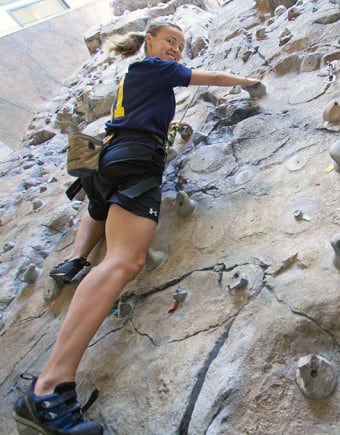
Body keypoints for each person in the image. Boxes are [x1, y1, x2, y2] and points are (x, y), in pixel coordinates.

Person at [13, 21, 262, 434]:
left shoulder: (136, 79)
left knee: (112, 250)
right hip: (136, 163)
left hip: (112, 163)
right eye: (170, 42)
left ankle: (74, 269)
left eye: (181, 46)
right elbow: (213, 77)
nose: (176, 50)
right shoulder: (157, 69)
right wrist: (250, 81)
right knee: (124, 261)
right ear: (149, 41)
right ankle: (49, 388)